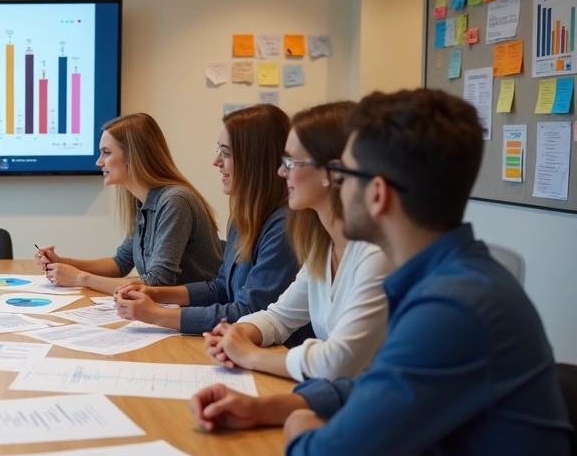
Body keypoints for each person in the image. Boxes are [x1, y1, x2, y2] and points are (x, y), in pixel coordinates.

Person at [189, 90, 576, 456]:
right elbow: (382, 383)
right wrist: (277, 407)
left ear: (376, 194)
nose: (336, 185)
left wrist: (297, 424)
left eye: (342, 173)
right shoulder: (447, 279)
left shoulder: (453, 305)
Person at [204, 102, 392, 381]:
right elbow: (279, 317)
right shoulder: (322, 244)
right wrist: (239, 332)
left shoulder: (377, 252)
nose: (281, 172)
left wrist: (250, 354)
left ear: (335, 172)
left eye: (291, 162)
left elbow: (338, 361)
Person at [114, 105, 304, 337]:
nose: (216, 161)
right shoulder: (244, 217)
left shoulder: (283, 226)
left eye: (226, 152)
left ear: (254, 159)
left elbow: (249, 311)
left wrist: (156, 314)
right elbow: (220, 288)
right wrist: (155, 294)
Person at [35, 113, 223, 293]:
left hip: (193, 315)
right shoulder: (144, 201)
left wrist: (80, 278)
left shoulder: (175, 201)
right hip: (167, 310)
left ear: (134, 156)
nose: (99, 162)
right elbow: (121, 263)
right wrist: (62, 262)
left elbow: (158, 282)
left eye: (106, 153)